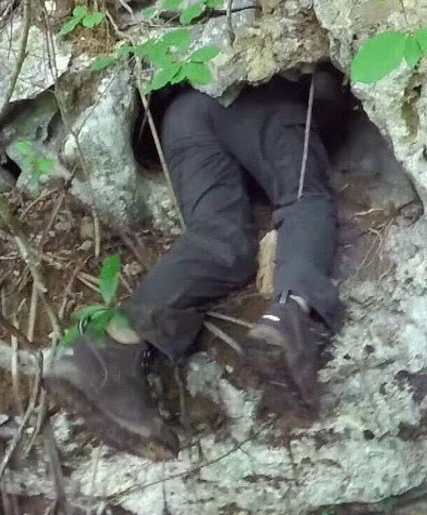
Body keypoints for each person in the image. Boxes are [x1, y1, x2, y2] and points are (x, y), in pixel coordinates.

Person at [43, 70, 348, 461]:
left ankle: (111, 347)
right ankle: (288, 317)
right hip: (259, 95)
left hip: (184, 113)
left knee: (216, 239)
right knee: (303, 198)